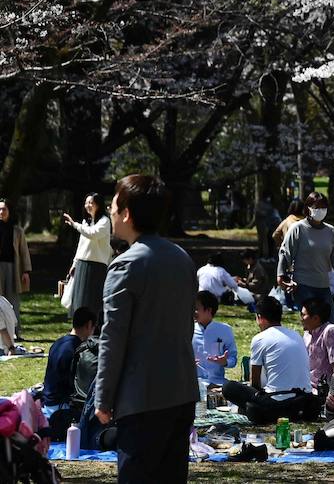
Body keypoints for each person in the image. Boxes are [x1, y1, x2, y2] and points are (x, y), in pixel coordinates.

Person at [92, 174, 199, 484]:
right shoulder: (182, 258)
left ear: (126, 213)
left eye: (113, 206)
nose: (111, 212)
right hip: (181, 391)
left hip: (142, 399)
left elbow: (112, 338)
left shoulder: (126, 265)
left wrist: (102, 398)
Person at [223, 295, 319, 423]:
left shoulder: (260, 338)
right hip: (304, 402)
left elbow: (255, 382)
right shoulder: (296, 335)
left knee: (229, 387)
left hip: (276, 405)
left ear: (260, 317)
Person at [277, 191, 334, 321]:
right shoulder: (297, 229)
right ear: (308, 208)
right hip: (303, 285)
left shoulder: (330, 231)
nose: (320, 210)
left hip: (323, 285)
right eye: (317, 207)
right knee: (312, 324)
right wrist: (281, 277)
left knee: (330, 324)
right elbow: (285, 253)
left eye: (323, 207)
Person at [43, 306, 97, 433]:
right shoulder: (78, 349)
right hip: (60, 407)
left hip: (48, 401)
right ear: (89, 325)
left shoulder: (58, 342)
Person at [62, 193, 113, 325]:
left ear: (98, 204)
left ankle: (93, 329)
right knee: (80, 301)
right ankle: (79, 329)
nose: (88, 206)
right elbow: (81, 246)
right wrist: (74, 263)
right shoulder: (86, 222)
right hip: (82, 264)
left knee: (93, 302)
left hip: (97, 267)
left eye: (91, 203)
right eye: (86, 203)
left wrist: (75, 224)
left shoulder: (104, 221)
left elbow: (93, 234)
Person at [192, 290, 238, 386]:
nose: (193, 312)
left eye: (196, 309)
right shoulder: (188, 329)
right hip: (193, 384)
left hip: (218, 383)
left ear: (209, 310)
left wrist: (225, 362)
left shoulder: (225, 330)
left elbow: (233, 359)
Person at [0, 200, 32, 338]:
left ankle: (15, 331)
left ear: (9, 210)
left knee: (13, 300)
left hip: (14, 268)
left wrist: (25, 271)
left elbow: (24, 251)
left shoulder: (17, 230)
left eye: (4, 209)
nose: (1, 212)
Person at [300, 298, 334, 391]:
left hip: (325, 390)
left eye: (303, 315)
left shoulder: (330, 331)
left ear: (316, 318)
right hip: (306, 386)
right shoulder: (308, 333)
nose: (301, 319)